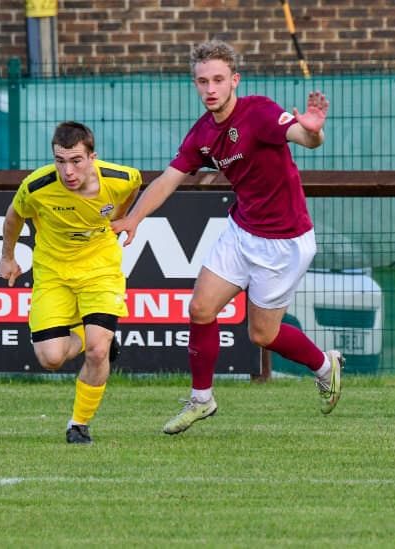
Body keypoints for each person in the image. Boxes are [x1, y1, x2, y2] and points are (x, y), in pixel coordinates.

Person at [111, 40, 342, 435]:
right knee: (201, 308)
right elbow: (168, 179)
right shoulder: (203, 133)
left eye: (218, 80)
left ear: (235, 80)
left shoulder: (260, 112)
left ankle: (325, 366)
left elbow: (304, 138)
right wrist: (134, 218)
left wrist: (314, 130)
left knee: (262, 334)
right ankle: (201, 399)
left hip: (284, 241)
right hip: (241, 230)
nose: (210, 89)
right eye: (203, 81)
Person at [0, 121, 142, 444]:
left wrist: (122, 216)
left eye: (76, 160)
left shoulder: (118, 178)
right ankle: (87, 333)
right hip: (53, 272)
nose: (68, 171)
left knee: (97, 351)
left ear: (93, 157)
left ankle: (79, 424)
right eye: (60, 161)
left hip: (100, 269)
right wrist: (7, 257)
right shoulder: (37, 186)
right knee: (50, 358)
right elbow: (13, 217)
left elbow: (134, 186)